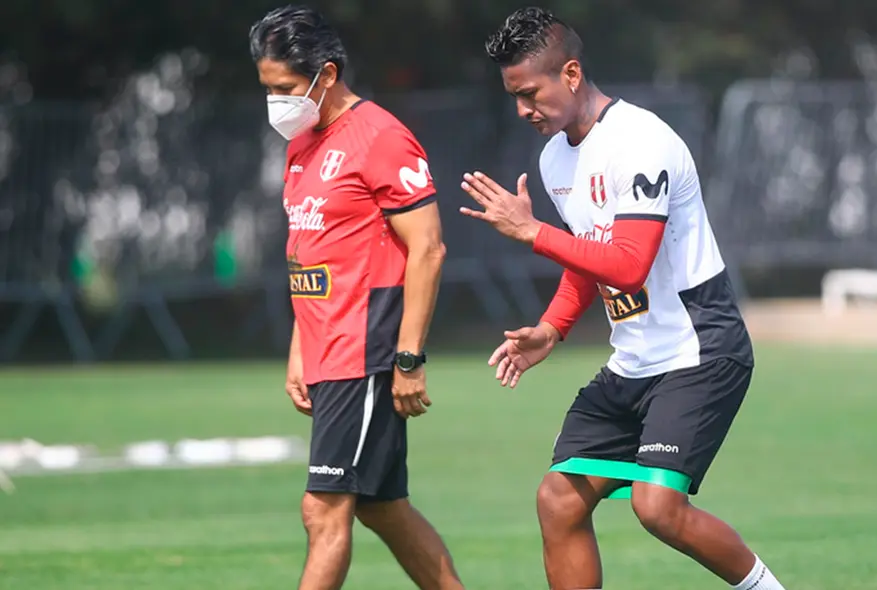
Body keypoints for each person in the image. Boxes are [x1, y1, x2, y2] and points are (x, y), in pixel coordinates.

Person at [461, 7, 787, 590]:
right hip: (635, 360)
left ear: (571, 73)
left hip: (699, 351)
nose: (522, 110)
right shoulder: (555, 157)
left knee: (656, 507)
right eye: (513, 96)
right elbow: (588, 258)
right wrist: (552, 328)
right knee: (558, 501)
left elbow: (629, 267)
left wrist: (534, 231)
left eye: (530, 93)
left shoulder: (641, 141)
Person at [249, 6, 463, 590]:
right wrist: (301, 347)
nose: (276, 102)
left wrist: (409, 359)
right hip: (327, 351)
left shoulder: (381, 137)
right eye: (267, 89)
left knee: (324, 509)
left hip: (366, 351)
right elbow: (311, 256)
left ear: (327, 73)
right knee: (381, 506)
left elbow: (428, 250)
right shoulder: (302, 144)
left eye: (285, 88)